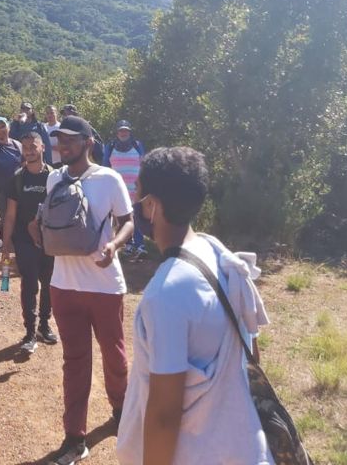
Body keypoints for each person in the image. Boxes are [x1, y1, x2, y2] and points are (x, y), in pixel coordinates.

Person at [116, 147, 271, 465]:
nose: (135, 202)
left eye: (138, 192)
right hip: (242, 448)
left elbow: (164, 414)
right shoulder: (214, 251)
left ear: (152, 205)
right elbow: (251, 355)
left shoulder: (166, 293)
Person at [40, 115, 135, 465]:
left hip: (104, 285)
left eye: (70, 139)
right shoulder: (54, 178)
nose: (62, 145)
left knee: (114, 355)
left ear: (88, 143)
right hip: (63, 285)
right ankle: (74, 437)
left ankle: (121, 410)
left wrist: (115, 246)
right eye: (59, 139)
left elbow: (127, 221)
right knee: (75, 361)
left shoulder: (108, 178)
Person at [3, 131, 57, 354]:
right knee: (30, 284)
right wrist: (6, 243)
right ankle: (30, 332)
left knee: (49, 284)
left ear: (42, 147)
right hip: (24, 240)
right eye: (25, 148)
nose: (29, 151)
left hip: (50, 240)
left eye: (33, 146)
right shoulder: (17, 179)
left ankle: (44, 325)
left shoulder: (54, 177)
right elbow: (10, 214)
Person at [104, 120, 147, 260]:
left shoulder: (138, 145)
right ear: (117, 132)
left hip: (135, 189)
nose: (123, 133)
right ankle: (128, 244)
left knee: (138, 216)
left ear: (129, 132)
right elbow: (105, 166)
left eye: (126, 130)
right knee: (123, 217)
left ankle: (140, 245)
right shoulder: (110, 146)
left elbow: (144, 164)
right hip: (118, 190)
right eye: (121, 130)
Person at [0, 117, 23, 230]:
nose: (1, 129)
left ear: (9, 127)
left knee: (16, 225)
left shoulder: (18, 145)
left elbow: (24, 166)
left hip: (16, 194)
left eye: (3, 126)